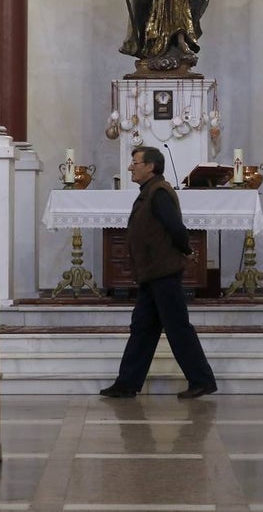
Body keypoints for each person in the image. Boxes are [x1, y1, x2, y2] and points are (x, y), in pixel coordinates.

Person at [99, 146, 218, 399]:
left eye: (135, 162)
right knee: (142, 328)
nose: (131, 166)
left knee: (177, 328)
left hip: (162, 272)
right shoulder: (150, 192)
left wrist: (186, 250)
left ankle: (202, 380)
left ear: (150, 166)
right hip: (153, 273)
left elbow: (175, 226)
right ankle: (127, 383)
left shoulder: (159, 192)